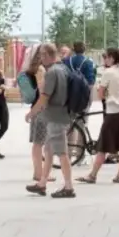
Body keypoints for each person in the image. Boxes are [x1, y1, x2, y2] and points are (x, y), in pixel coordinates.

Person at [80, 47, 119, 185]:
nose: (104, 59)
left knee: (104, 146)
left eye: (106, 57)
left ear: (111, 57)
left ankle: (93, 175)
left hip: (112, 112)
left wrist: (102, 91)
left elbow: (100, 95)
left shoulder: (108, 73)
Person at [29, 44, 79, 198]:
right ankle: (42, 183)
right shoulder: (64, 69)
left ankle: (69, 187)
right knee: (49, 151)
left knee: (62, 152)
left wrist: (32, 112)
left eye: (43, 55)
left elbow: (45, 96)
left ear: (50, 55)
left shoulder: (52, 72)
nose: (41, 58)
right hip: (60, 115)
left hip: (56, 117)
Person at [19, 46, 48, 192]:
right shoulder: (40, 70)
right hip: (40, 109)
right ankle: (39, 173)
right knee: (39, 143)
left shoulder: (33, 69)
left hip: (36, 108)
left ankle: (40, 172)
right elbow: (42, 92)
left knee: (39, 143)